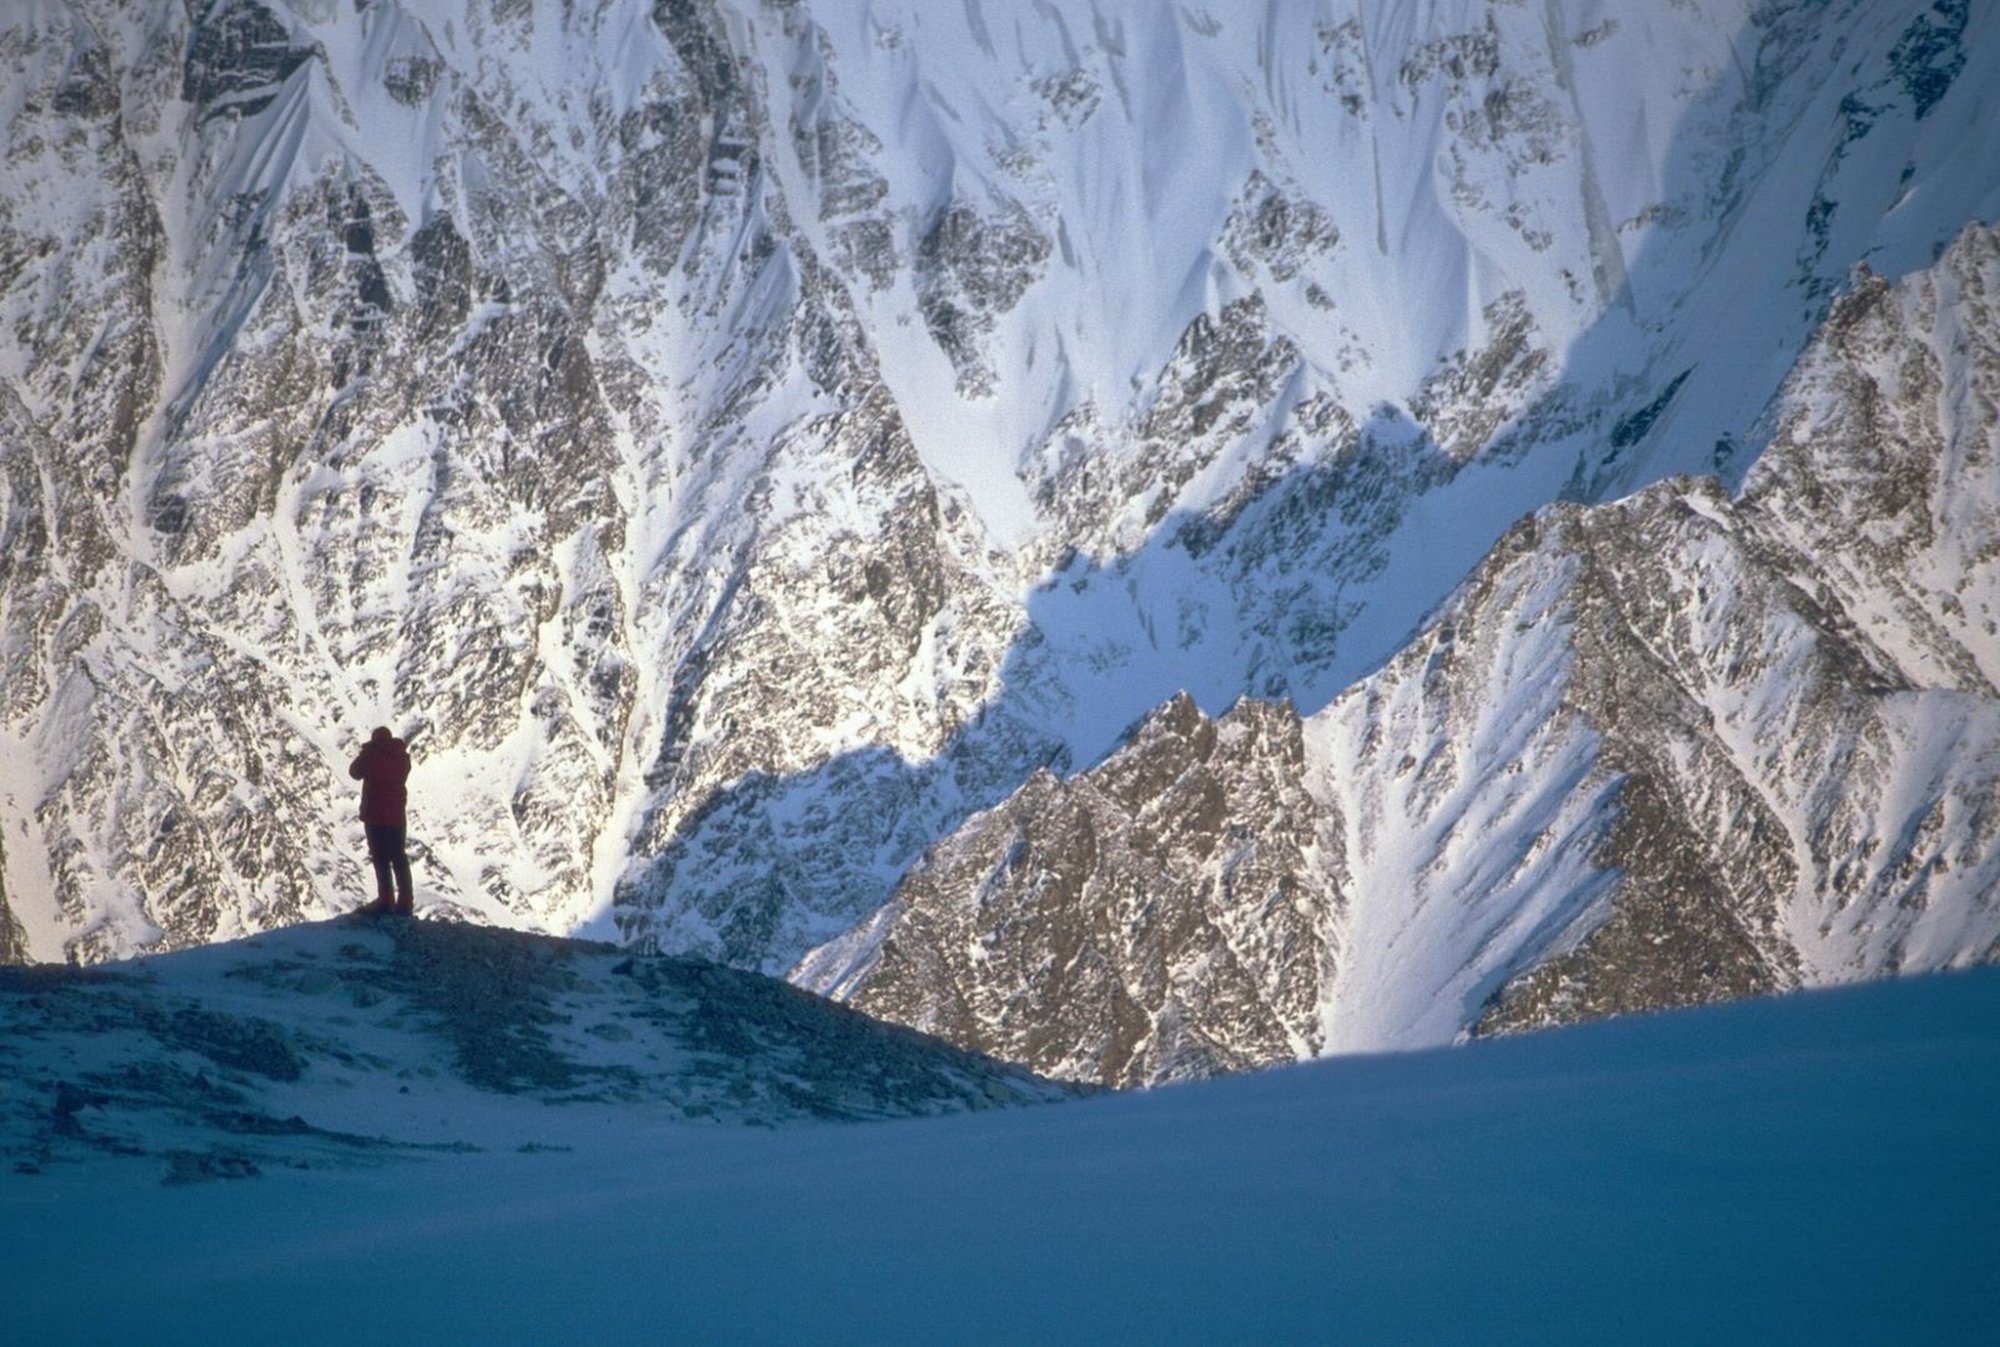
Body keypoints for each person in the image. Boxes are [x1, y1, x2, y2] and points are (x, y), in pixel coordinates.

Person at [349, 726, 414, 916]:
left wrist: (367, 751)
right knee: (399, 857)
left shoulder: (371, 757)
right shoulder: (402, 758)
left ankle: (386, 899)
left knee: (380, 858)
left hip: (376, 815)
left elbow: (354, 772)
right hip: (397, 817)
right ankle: (406, 900)